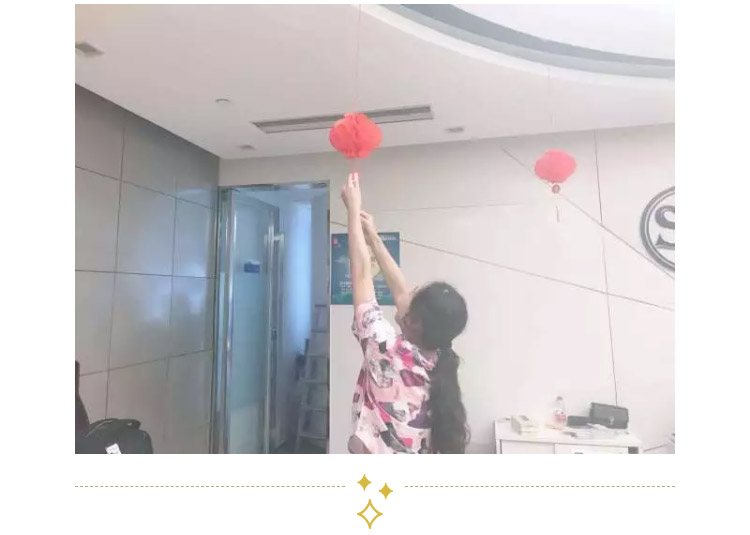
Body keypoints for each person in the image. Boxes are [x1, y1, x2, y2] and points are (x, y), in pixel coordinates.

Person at [341, 172, 469, 454]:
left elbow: (361, 273)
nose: (406, 294)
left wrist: (351, 211)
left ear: (415, 322)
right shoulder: (438, 360)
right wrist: (373, 237)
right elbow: (401, 294)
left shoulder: (384, 349)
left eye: (413, 295)